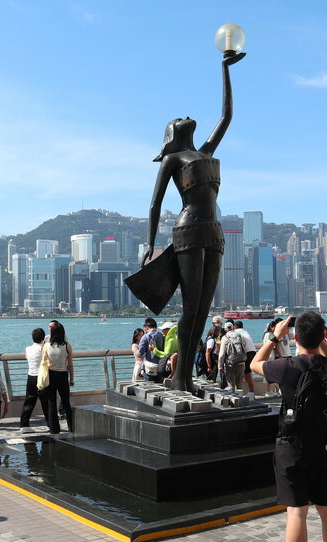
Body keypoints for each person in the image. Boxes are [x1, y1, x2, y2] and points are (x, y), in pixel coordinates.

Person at [138, 50, 245, 392]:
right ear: (172, 131)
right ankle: (180, 376)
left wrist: (225, 70)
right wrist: (151, 244)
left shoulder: (207, 151)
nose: (185, 115)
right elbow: (155, 204)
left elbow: (226, 116)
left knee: (203, 308)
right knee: (190, 305)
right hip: (187, 230)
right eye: (177, 117)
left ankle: (184, 375)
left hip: (214, 232)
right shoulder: (172, 159)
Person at [251, 313, 327, 542]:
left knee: (296, 513)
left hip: (292, 447)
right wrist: (323, 339)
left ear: (295, 337)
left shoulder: (286, 366)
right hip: (325, 447)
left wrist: (274, 336)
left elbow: (255, 364)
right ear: (322, 335)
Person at [43, 322, 75, 434]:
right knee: (66, 403)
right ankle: (72, 428)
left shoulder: (46, 346)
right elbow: (70, 364)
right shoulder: (67, 346)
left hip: (51, 375)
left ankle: (54, 429)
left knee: (51, 403)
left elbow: (43, 363)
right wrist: (72, 379)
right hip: (63, 375)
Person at [20, 328, 48, 433]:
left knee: (29, 401)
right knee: (46, 402)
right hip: (42, 377)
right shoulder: (44, 348)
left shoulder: (28, 348)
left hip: (31, 376)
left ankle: (24, 425)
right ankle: (50, 424)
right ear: (43, 338)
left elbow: (27, 358)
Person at [219, 321, 248, 392]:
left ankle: (233, 401)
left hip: (230, 364)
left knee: (231, 385)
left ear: (225, 329)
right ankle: (240, 401)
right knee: (239, 385)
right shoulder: (240, 336)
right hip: (241, 363)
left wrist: (220, 366)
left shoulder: (225, 337)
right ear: (233, 328)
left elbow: (222, 353)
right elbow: (244, 347)